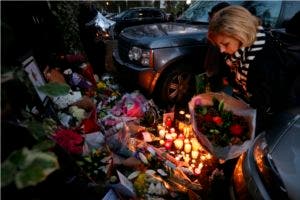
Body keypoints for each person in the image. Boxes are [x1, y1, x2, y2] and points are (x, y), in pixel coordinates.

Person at [207, 5, 299, 134]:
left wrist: (244, 134)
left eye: (225, 44)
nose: (221, 50)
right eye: (218, 45)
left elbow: (263, 107)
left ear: (240, 33)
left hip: (277, 116)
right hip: (253, 107)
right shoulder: (239, 52)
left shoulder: (264, 58)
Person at [204, 2, 230, 92]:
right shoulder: (214, 32)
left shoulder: (230, 35)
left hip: (223, 77)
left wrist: (226, 77)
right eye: (212, 17)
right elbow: (210, 52)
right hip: (213, 75)